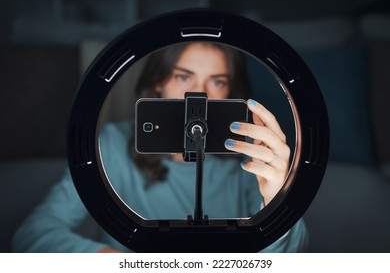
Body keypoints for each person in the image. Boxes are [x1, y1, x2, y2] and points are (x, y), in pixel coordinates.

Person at [12, 41, 308, 253]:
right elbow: (32, 234)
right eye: (183, 76)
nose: (198, 94)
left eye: (217, 81)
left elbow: (287, 255)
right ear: (158, 84)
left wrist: (278, 203)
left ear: (231, 91)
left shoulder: (250, 157)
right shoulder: (112, 144)